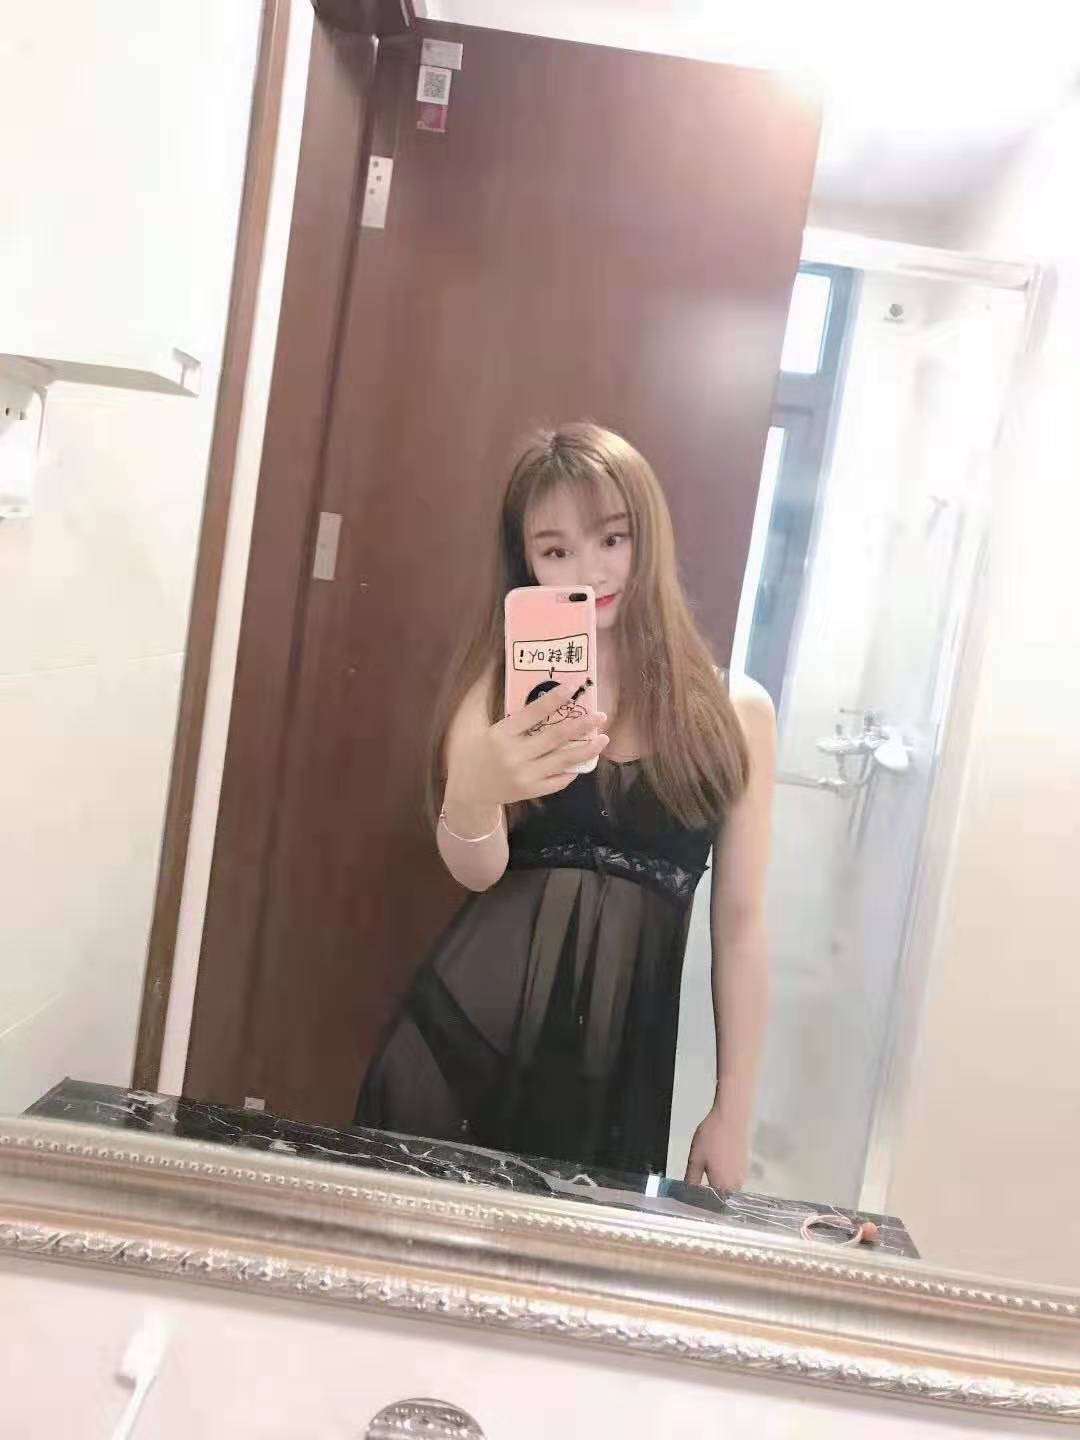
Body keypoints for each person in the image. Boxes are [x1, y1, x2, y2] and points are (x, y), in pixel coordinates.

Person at [355, 423, 775, 1189]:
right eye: (556, 551)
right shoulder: (499, 686)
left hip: (614, 1089)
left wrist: (733, 1106)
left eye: (612, 538)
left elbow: (741, 924)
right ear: (528, 566)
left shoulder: (736, 712)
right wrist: (474, 788)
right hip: (457, 1057)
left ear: (649, 536)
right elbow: (478, 870)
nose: (591, 569)